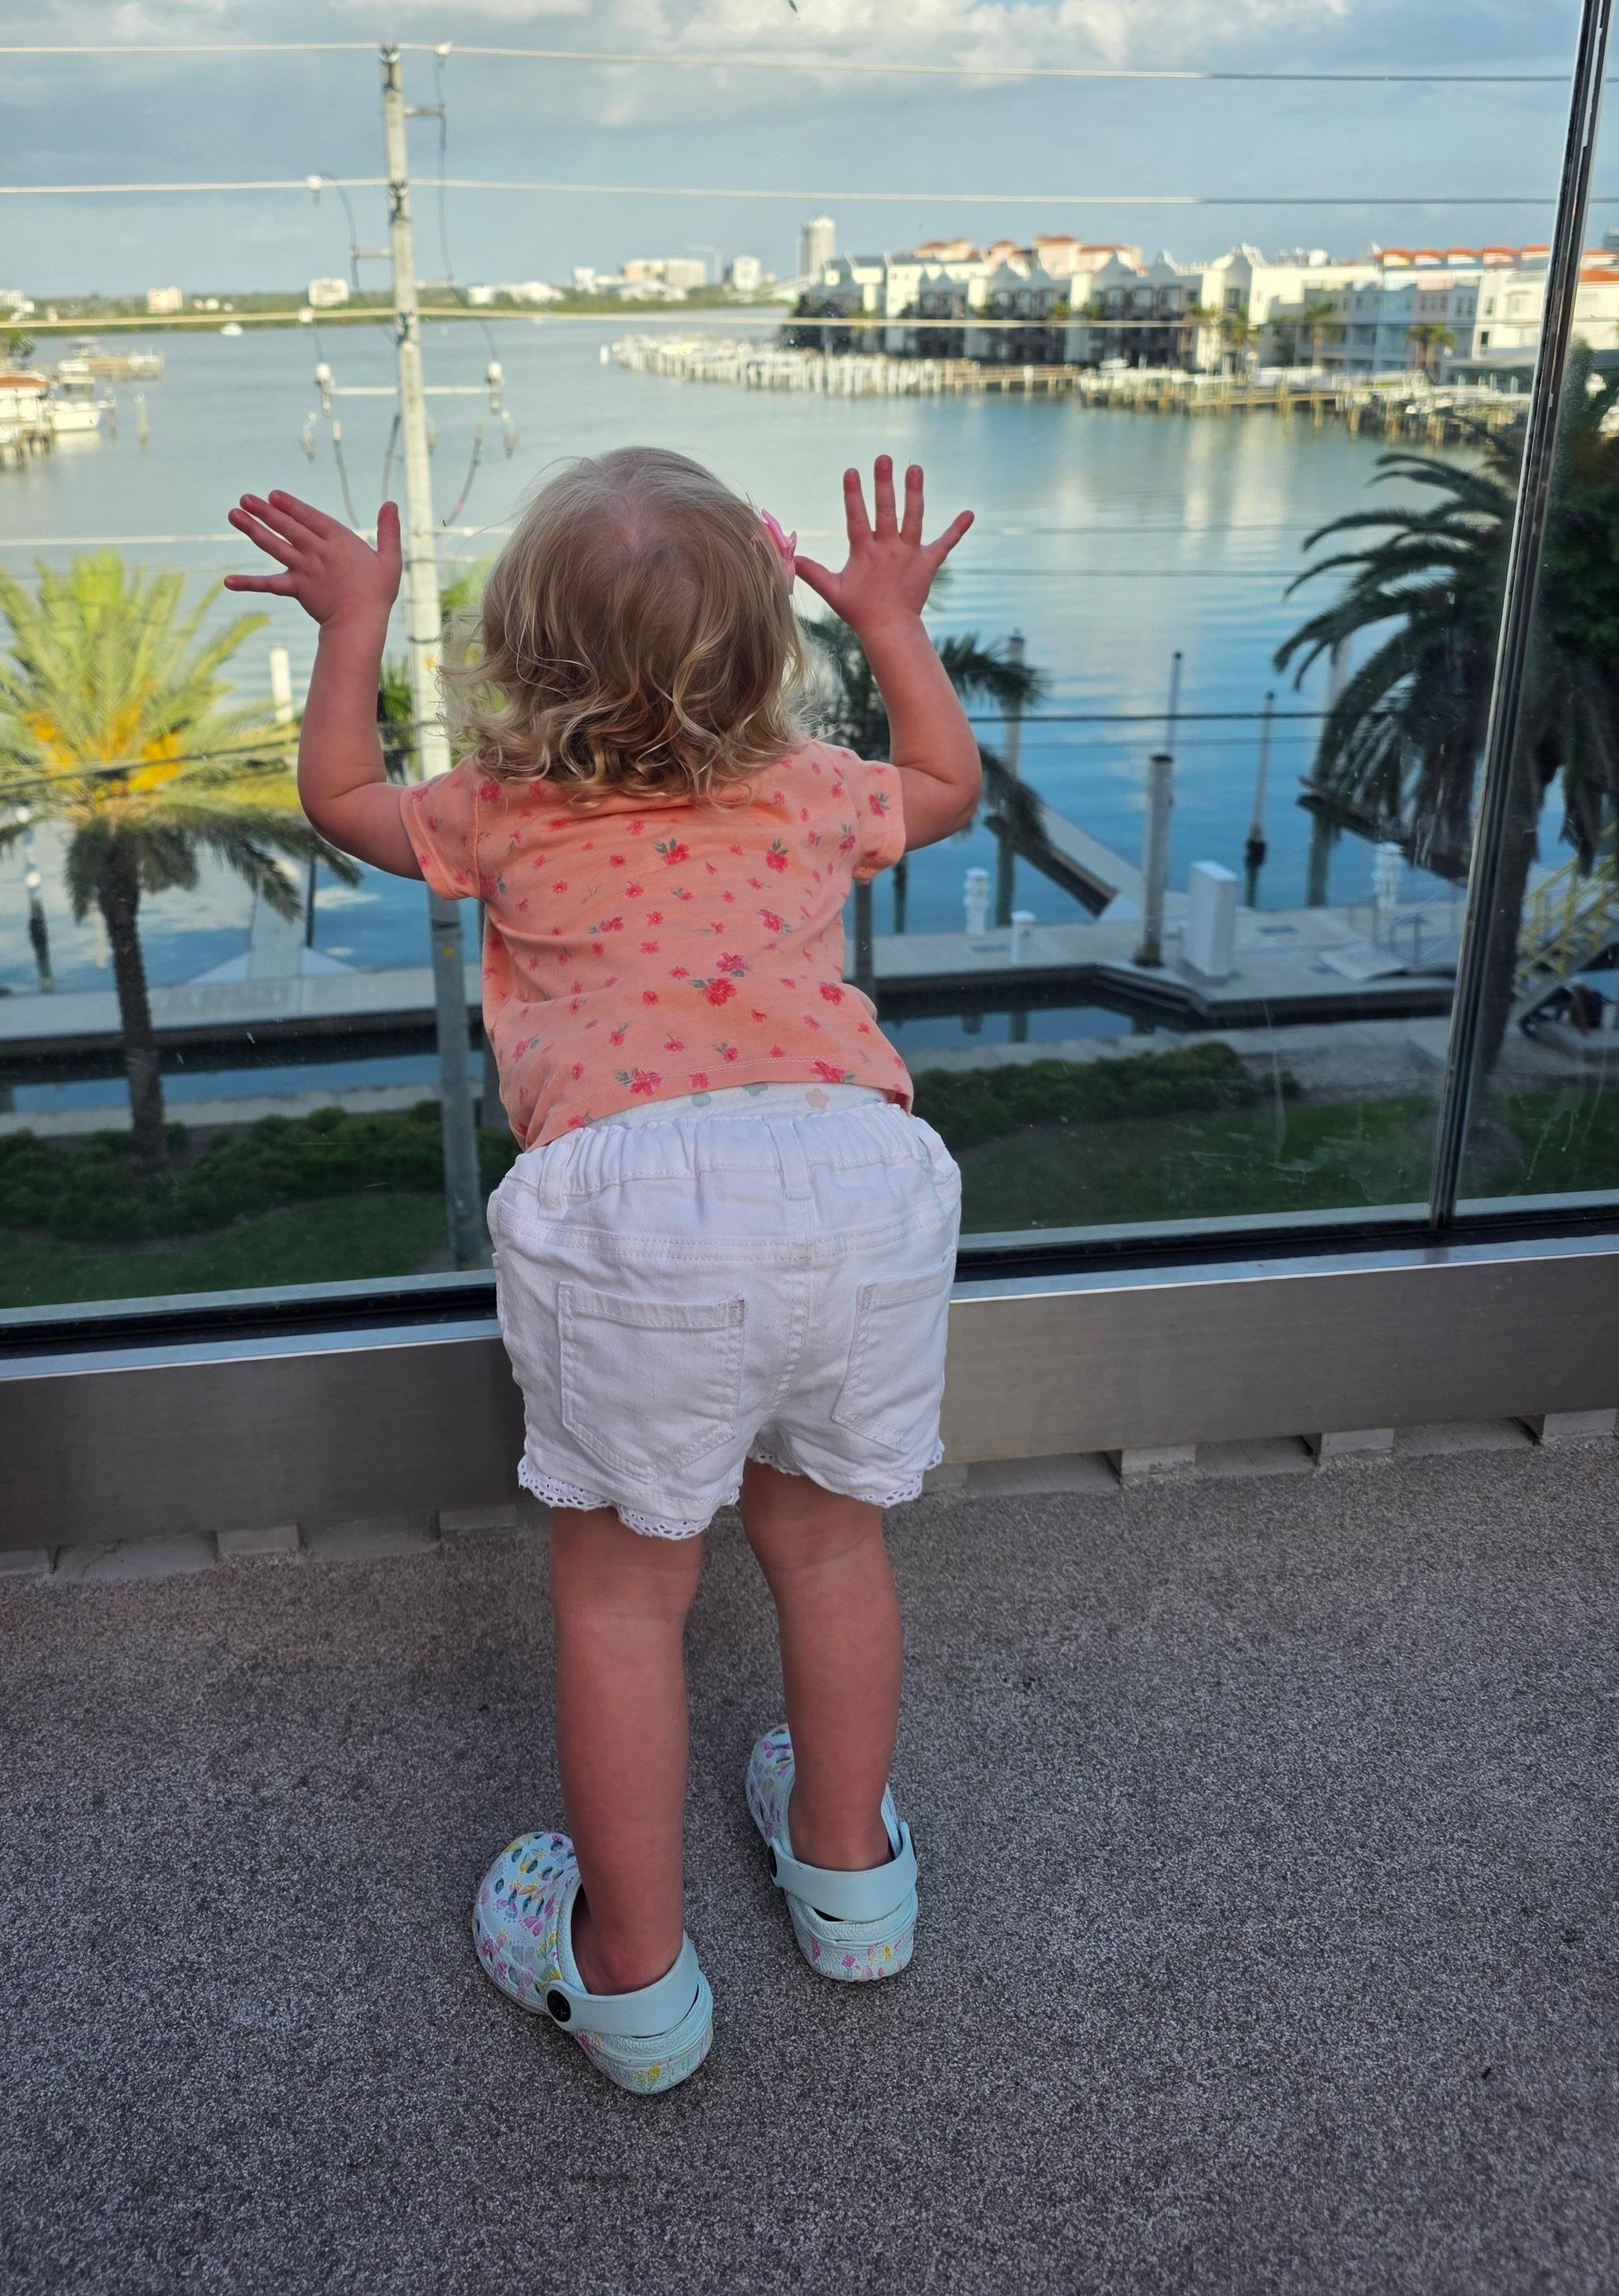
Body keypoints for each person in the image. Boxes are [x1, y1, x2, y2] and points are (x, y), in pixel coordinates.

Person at [226, 445, 979, 2097]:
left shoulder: (502, 810)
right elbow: (946, 779)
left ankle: (632, 1976)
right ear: (767, 649)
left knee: (627, 1598)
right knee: (830, 1544)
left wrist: (352, 622)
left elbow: (341, 798)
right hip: (858, 1172)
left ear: (519, 652)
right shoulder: (812, 787)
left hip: (640, 1205)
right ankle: (852, 1880)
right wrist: (892, 619)